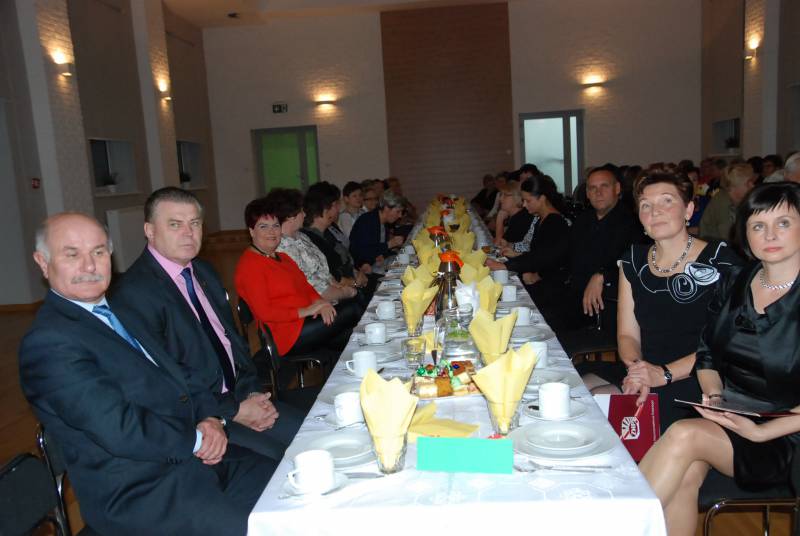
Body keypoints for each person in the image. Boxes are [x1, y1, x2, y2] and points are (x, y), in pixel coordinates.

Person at [20, 213, 273, 536]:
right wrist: (198, 438)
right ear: (43, 263)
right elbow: (120, 427)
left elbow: (181, 374)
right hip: (143, 492)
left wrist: (210, 417)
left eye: (98, 252)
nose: (89, 265)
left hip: (198, 461)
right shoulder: (48, 344)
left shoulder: (121, 310)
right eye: (72, 255)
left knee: (293, 489)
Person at [639, 182, 800, 536]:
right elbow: (707, 352)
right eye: (758, 225)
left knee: (683, 435)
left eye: (783, 223)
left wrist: (762, 431)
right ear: (745, 233)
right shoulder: (737, 280)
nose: (770, 234)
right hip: (731, 416)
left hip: (785, 433)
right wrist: (714, 397)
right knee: (684, 476)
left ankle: (613, 525)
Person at [113, 187, 303, 461]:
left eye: (195, 223)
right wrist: (233, 410)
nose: (188, 233)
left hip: (239, 397)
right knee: (283, 463)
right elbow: (163, 377)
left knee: (313, 435)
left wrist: (252, 393)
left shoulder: (203, 271)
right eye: (175, 224)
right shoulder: (134, 293)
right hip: (198, 417)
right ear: (150, 230)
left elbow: (233, 343)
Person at [581, 171, 741, 431]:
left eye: (667, 201)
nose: (655, 211)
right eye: (646, 205)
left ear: (688, 210)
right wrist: (638, 371)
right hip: (645, 366)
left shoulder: (721, 262)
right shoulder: (634, 260)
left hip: (698, 375)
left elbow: (727, 342)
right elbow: (628, 336)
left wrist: (663, 374)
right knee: (577, 394)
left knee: (597, 407)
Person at [235, 193, 359, 364]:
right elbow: (266, 312)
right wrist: (307, 311)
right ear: (251, 231)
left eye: (275, 225)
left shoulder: (283, 258)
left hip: (305, 322)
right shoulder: (250, 265)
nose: (272, 232)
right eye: (263, 227)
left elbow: (306, 287)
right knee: (353, 309)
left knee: (350, 336)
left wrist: (321, 304)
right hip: (285, 334)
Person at [555, 165, 641, 332]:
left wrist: (602, 274)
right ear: (587, 193)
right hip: (573, 297)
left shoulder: (632, 223)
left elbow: (634, 263)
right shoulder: (583, 220)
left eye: (604, 186)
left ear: (617, 189)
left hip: (607, 304)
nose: (598, 192)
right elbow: (561, 252)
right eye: (592, 188)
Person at [486, 176, 571, 315]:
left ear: (542, 198)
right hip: (542, 279)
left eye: (528, 200)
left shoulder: (555, 223)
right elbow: (537, 253)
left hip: (553, 289)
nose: (524, 205)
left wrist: (505, 266)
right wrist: (516, 257)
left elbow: (546, 259)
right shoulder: (541, 219)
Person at [269, 187, 358, 303]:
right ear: (291, 216)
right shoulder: (282, 247)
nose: (305, 214)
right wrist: (345, 292)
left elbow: (324, 272)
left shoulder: (302, 236)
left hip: (332, 296)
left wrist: (340, 287)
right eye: (301, 211)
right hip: (316, 305)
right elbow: (313, 287)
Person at [301, 182, 377, 300]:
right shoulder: (310, 239)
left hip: (353, 281)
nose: (338, 209)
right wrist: (356, 282)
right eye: (336, 204)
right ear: (326, 208)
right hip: (341, 294)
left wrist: (358, 271)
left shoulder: (329, 230)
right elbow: (332, 276)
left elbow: (346, 256)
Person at [348, 190, 405, 269]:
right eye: (398, 211)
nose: (400, 215)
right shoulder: (367, 221)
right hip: (363, 268)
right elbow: (361, 251)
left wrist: (384, 254)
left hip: (375, 265)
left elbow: (377, 249)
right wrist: (389, 244)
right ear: (386, 208)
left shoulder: (384, 222)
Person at [699, 163, 755, 241]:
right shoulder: (723, 203)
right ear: (734, 186)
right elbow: (728, 238)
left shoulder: (739, 199)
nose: (752, 186)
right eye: (748, 183)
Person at [493, 185, 536, 256]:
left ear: (517, 198)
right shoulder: (518, 215)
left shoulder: (521, 218)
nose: (500, 199)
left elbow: (498, 246)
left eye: (505, 195)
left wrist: (499, 219)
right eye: (501, 195)